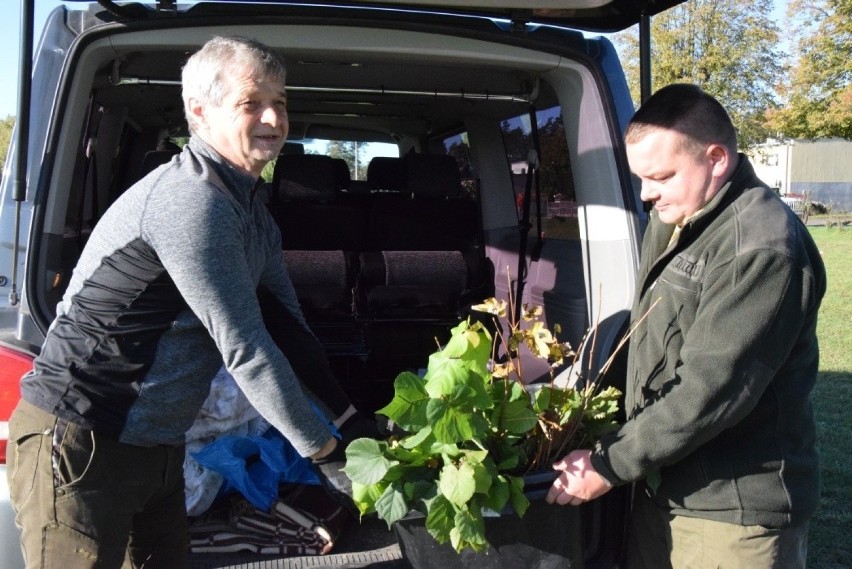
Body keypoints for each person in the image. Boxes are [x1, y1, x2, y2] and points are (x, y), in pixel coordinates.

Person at [7, 36, 367, 569]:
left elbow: (289, 331)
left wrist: (351, 422)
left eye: (282, 101)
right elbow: (245, 347)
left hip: (156, 447)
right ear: (199, 111)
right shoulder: (191, 203)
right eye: (251, 102)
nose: (273, 116)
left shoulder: (251, 214)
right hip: (82, 440)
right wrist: (325, 453)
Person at [546, 83, 825, 568]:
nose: (645, 194)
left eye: (660, 176)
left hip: (730, 511)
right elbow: (646, 333)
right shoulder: (677, 217)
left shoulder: (760, 247)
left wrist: (610, 463)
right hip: (663, 487)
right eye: (640, 178)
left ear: (716, 158)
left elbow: (710, 391)